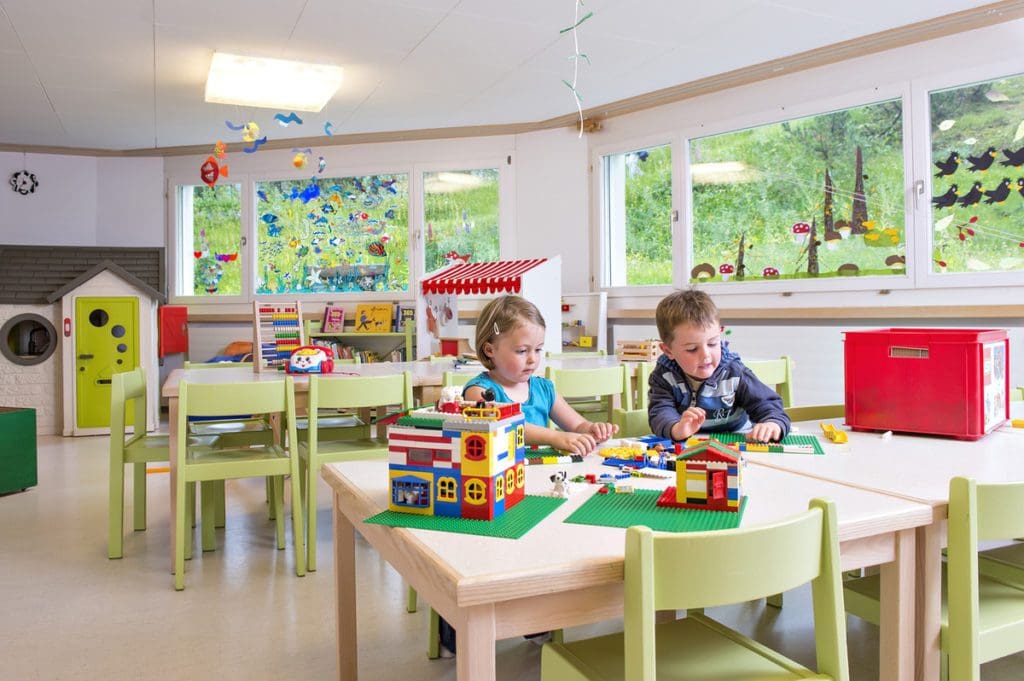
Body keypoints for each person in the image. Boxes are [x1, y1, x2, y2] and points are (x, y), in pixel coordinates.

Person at [463, 294, 618, 456]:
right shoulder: (479, 392)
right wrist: (555, 437)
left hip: (544, 474)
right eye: (522, 351)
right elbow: (506, 427)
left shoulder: (543, 389)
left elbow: (578, 426)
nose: (532, 359)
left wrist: (592, 431)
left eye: (538, 349)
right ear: (490, 350)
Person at [648, 289, 790, 442]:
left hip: (737, 440)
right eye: (692, 349)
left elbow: (766, 404)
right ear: (668, 350)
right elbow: (660, 412)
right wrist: (677, 429)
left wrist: (772, 423)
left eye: (712, 343)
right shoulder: (664, 376)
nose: (706, 355)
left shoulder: (735, 372)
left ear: (720, 333)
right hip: (688, 444)